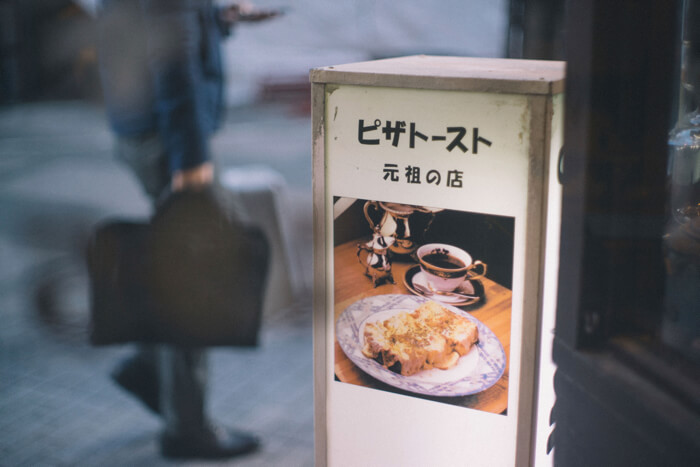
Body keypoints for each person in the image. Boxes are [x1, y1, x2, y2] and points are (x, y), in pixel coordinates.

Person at [96, 0, 279, 459]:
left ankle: (150, 369)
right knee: (198, 272)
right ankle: (187, 427)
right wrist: (190, 155)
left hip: (148, 128)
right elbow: (169, 48)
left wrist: (217, 18)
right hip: (168, 136)